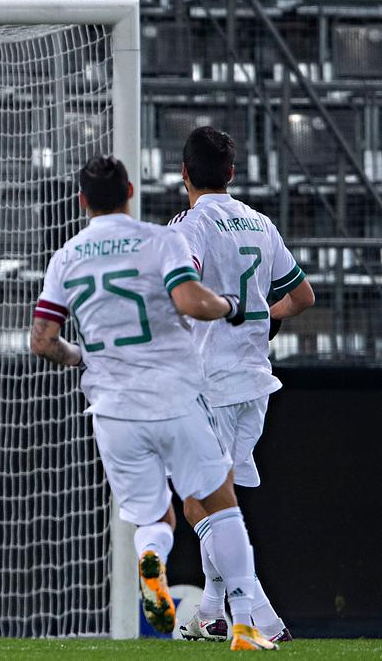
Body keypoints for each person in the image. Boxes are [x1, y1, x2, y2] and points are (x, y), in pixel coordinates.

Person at [31, 155, 279, 651]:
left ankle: (152, 561)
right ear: (130, 191)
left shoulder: (67, 257)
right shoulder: (160, 240)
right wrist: (227, 306)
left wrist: (82, 355)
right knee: (221, 504)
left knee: (156, 518)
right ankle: (248, 625)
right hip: (174, 397)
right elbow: (190, 301)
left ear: (81, 201)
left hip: (112, 410)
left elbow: (42, 340)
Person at [169, 126, 314, 643]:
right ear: (231, 173)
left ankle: (261, 618)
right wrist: (262, 319)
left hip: (209, 382)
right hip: (255, 383)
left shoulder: (190, 225)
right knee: (219, 500)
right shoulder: (260, 223)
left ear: (183, 173)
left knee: (197, 501)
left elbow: (182, 289)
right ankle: (210, 612)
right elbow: (302, 297)